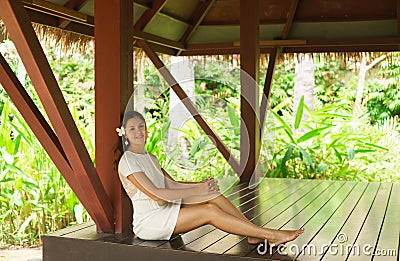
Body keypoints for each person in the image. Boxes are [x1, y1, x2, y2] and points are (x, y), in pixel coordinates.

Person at [115, 111, 304, 245]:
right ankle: (270, 235)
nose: (139, 132)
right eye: (132, 129)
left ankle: (253, 234)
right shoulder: (129, 161)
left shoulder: (150, 158)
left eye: (141, 126)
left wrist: (200, 185)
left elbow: (171, 184)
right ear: (125, 135)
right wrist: (197, 190)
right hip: (151, 222)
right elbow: (156, 195)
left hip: (167, 210)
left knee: (212, 197)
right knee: (209, 211)